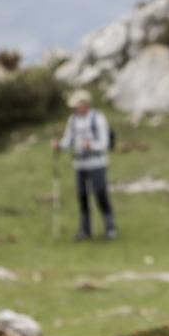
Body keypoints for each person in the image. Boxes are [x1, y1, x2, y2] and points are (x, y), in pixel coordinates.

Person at [52, 89, 117, 241]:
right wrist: (59, 145)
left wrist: (91, 146)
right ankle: (85, 230)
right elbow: (68, 140)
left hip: (97, 163)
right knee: (82, 196)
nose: (75, 108)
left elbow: (104, 143)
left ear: (85, 104)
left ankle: (110, 227)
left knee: (100, 193)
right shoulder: (73, 120)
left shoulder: (98, 119)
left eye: (77, 105)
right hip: (80, 165)